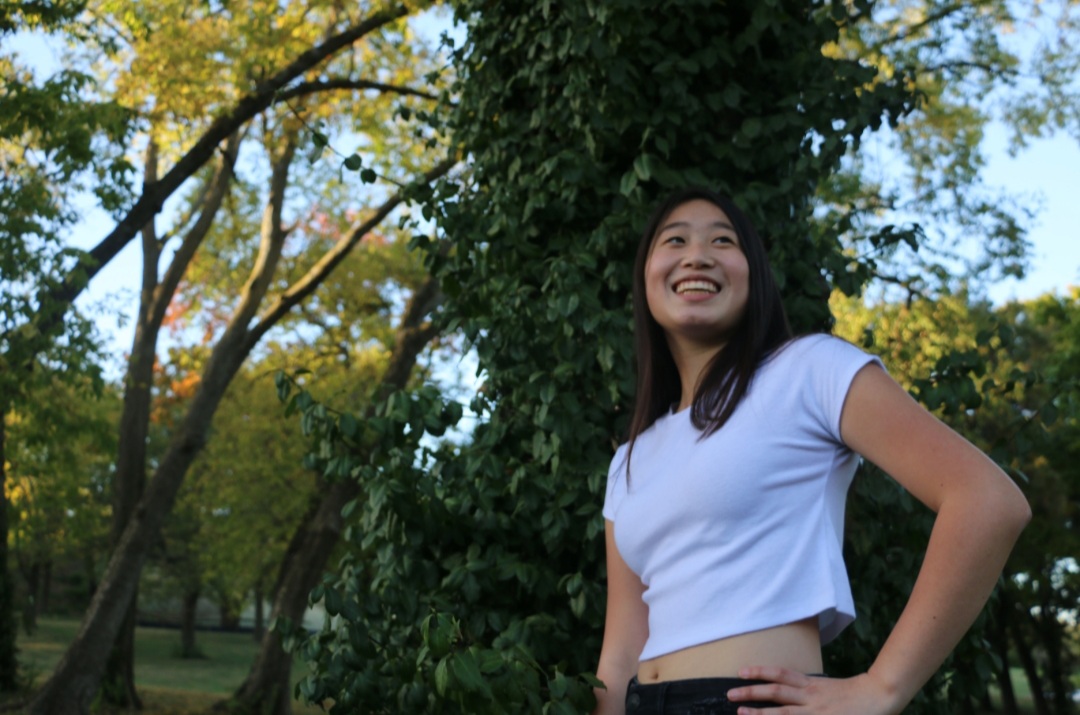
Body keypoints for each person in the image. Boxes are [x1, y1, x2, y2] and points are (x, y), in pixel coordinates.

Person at [593, 186, 1031, 715]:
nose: (698, 255)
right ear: (645, 275)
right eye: (675, 240)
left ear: (754, 275)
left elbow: (986, 500)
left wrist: (882, 687)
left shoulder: (809, 370)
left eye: (723, 241)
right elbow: (619, 656)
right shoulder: (629, 459)